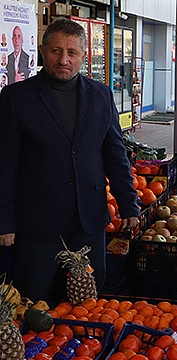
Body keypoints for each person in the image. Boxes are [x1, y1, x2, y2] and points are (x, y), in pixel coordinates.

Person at [0, 19, 140, 302]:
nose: (63, 59)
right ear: (42, 51)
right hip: (37, 225)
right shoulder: (16, 98)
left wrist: (129, 204)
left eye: (72, 52)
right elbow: (5, 166)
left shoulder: (100, 95)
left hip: (88, 223)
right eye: (56, 51)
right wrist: (4, 221)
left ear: (83, 56)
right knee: (31, 304)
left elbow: (116, 156)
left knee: (88, 305)